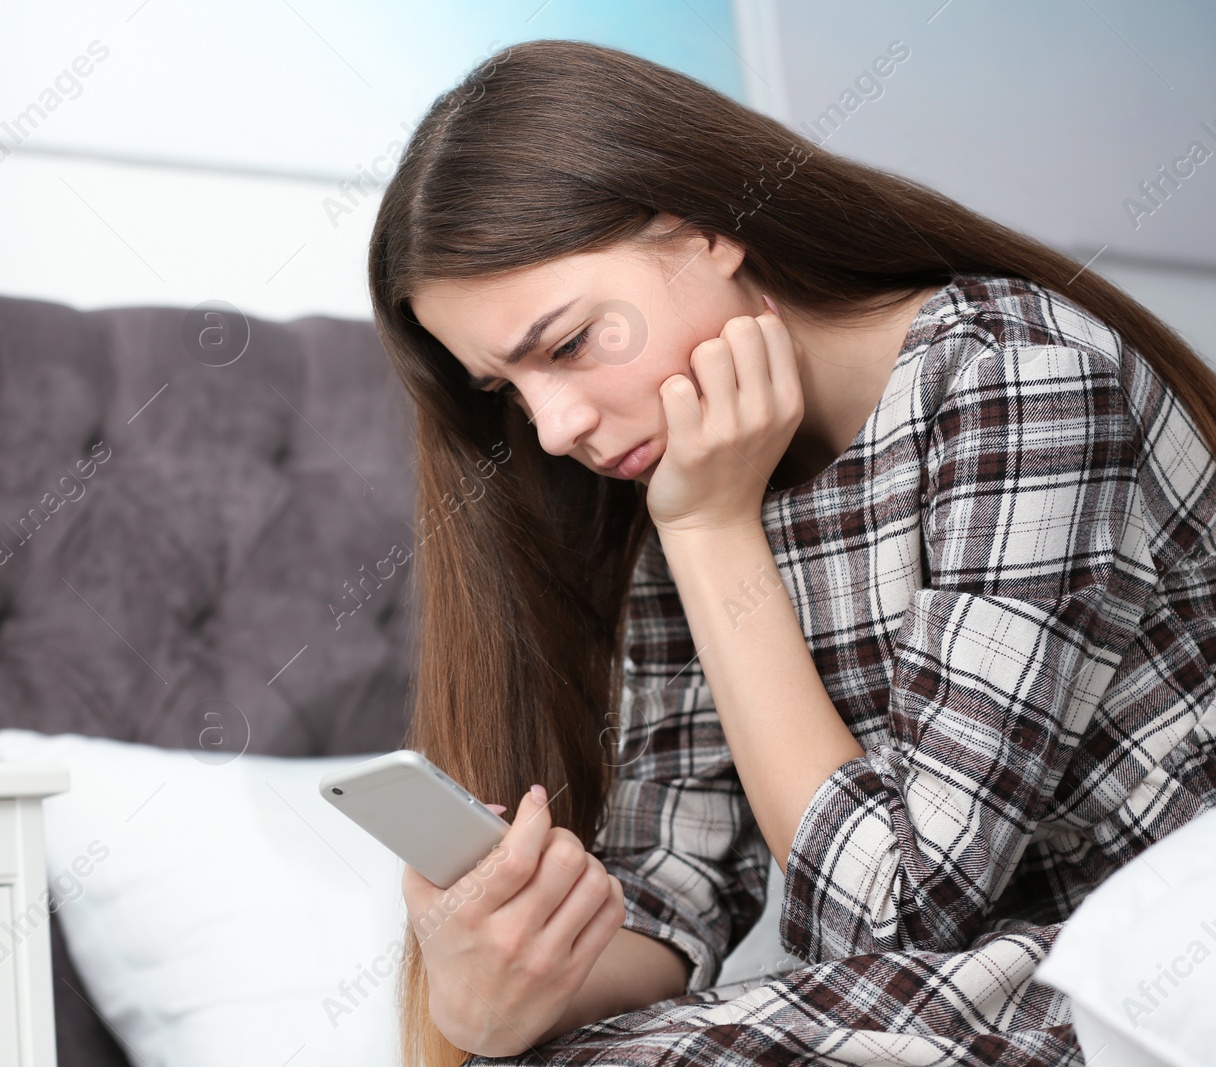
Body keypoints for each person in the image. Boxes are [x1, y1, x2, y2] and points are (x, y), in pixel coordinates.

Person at [367, 38, 1216, 1067]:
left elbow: (896, 920)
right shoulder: (684, 473)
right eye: (507, 387)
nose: (553, 428)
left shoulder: (1020, 379)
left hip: (1152, 967)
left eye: (569, 343)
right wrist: (496, 994)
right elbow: (675, 892)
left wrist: (712, 532)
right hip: (983, 987)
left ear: (704, 228)